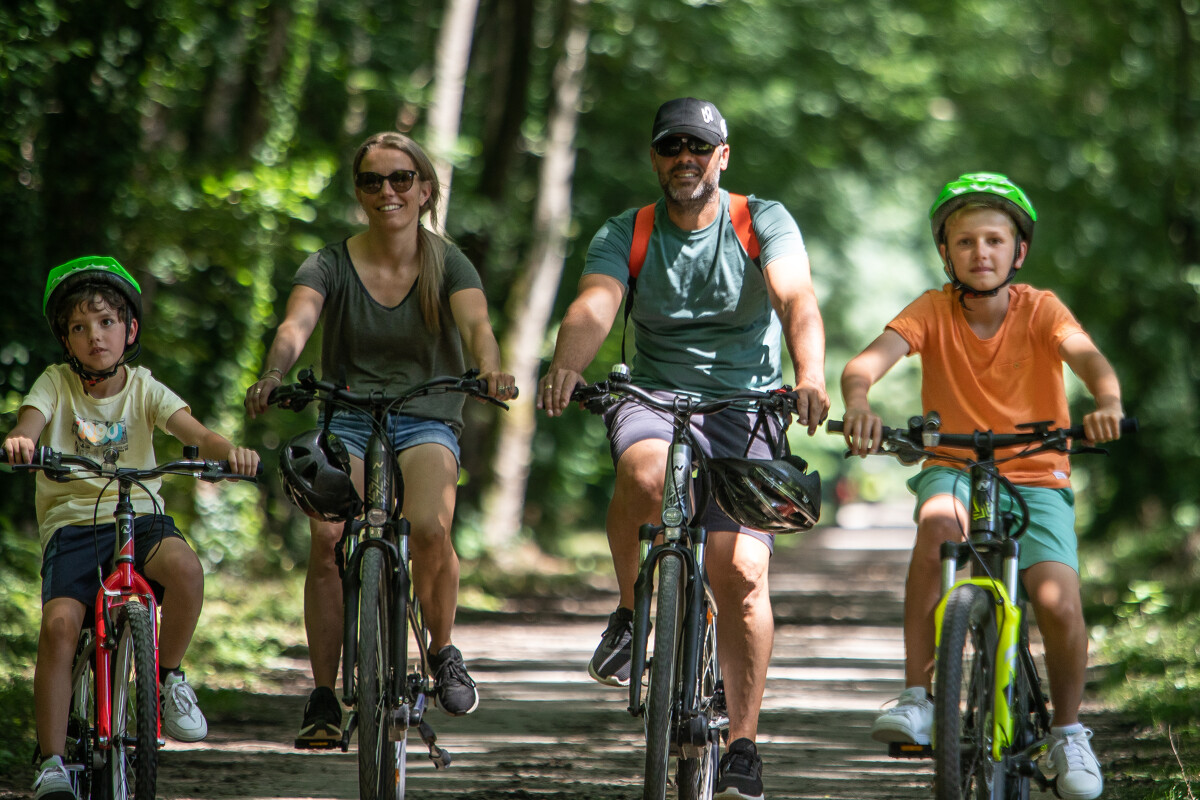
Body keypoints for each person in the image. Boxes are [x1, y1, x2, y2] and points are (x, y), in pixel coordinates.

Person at [539, 97, 829, 800]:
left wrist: (810, 375)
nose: (685, 159)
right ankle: (634, 613)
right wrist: (568, 363)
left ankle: (743, 744)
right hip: (653, 398)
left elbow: (796, 299)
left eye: (699, 146)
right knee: (641, 477)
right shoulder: (629, 230)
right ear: (655, 157)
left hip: (748, 405)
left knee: (742, 572)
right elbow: (596, 302)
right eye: (671, 146)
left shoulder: (761, 220)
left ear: (722, 156)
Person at [839, 173, 1124, 800]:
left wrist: (1106, 400)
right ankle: (920, 694)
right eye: (964, 241)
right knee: (938, 524)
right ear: (947, 253)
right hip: (954, 463)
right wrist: (859, 402)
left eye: (995, 240)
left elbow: (1088, 357)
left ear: (1017, 251)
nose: (981, 252)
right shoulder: (931, 309)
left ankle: (1069, 731)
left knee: (1055, 601)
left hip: (1037, 471)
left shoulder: (1042, 309)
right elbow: (865, 362)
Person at [244, 131, 516, 749]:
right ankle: (321, 694)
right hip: (347, 414)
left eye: (400, 179)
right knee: (326, 535)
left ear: (424, 189)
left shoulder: (448, 262)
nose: (387, 191)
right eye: (373, 181)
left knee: (430, 528)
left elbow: (477, 326)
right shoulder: (330, 262)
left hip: (427, 413)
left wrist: (491, 369)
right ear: (359, 192)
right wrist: (274, 372)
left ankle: (442, 651)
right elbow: (297, 321)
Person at [4, 256, 260, 800]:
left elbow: (196, 431)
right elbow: (30, 420)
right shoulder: (55, 383)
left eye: (106, 322)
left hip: (138, 516)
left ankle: (166, 680)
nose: (94, 336)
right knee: (58, 628)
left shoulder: (145, 388)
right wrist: (23, 440)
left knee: (186, 570)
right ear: (65, 338)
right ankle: (51, 761)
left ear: (130, 329)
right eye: (79, 327)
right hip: (73, 526)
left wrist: (228, 453)